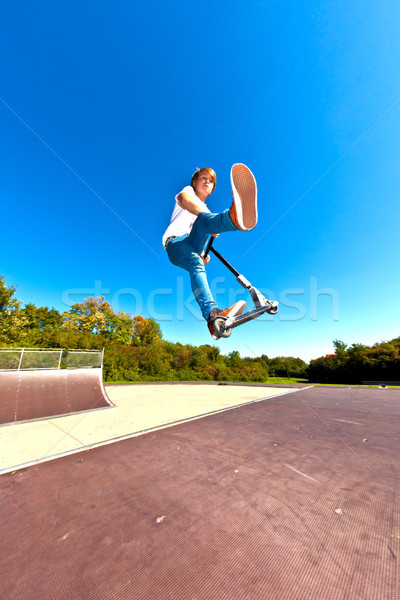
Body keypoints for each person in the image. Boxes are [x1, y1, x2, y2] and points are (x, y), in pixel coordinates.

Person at [163, 165, 257, 338]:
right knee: (204, 220)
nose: (207, 181)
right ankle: (232, 218)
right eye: (203, 178)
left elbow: (200, 245)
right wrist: (212, 221)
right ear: (194, 182)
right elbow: (184, 201)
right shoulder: (188, 192)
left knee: (197, 260)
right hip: (175, 243)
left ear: (213, 189)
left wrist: (202, 256)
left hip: (192, 246)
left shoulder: (206, 212)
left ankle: (213, 320)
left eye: (211, 180)